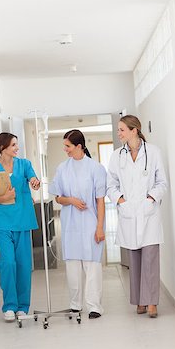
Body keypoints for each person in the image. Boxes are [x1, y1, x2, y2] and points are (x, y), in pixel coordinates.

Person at [107, 115, 167, 318]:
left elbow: (162, 182)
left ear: (134, 130)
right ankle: (139, 302)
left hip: (148, 212)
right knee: (135, 257)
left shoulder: (154, 152)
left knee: (150, 256)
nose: (119, 133)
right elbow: (111, 184)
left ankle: (151, 302)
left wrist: (151, 198)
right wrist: (120, 201)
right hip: (129, 213)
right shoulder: (117, 156)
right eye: (118, 129)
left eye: (122, 129)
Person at [0, 132, 40, 322]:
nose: (17, 148)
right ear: (3, 148)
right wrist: (3, 198)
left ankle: (22, 306)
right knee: (8, 262)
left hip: (23, 220)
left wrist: (35, 182)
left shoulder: (24, 165)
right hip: (2, 222)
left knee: (23, 264)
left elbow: (33, 179)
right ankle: (9, 306)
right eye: (14, 145)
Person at [49, 129, 106, 319]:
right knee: (73, 264)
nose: (65, 149)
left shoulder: (95, 168)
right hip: (70, 223)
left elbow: (100, 200)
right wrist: (71, 200)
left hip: (91, 222)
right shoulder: (62, 168)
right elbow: (58, 198)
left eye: (68, 146)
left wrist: (99, 227)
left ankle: (94, 306)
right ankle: (75, 304)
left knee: (92, 264)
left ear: (79, 146)